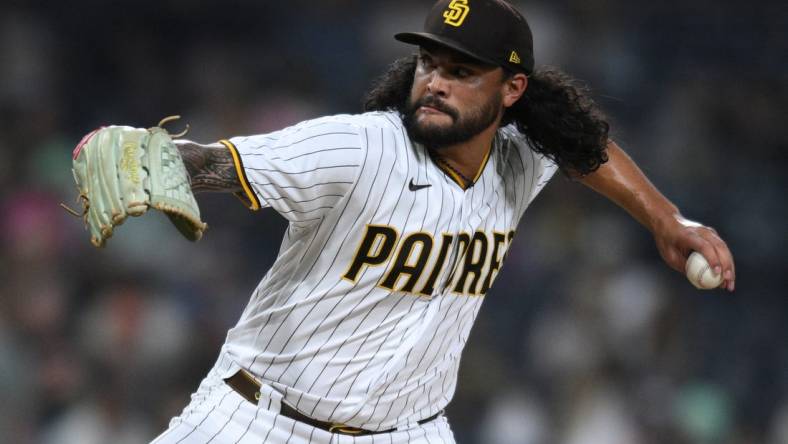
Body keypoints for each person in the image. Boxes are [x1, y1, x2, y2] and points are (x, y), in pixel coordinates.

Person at [112, 0, 734, 442]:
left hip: (407, 433)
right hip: (257, 420)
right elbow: (223, 160)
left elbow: (585, 148)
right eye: (429, 64)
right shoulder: (360, 148)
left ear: (512, 89)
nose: (435, 82)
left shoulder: (521, 159)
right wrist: (158, 158)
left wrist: (665, 218)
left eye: (461, 72)